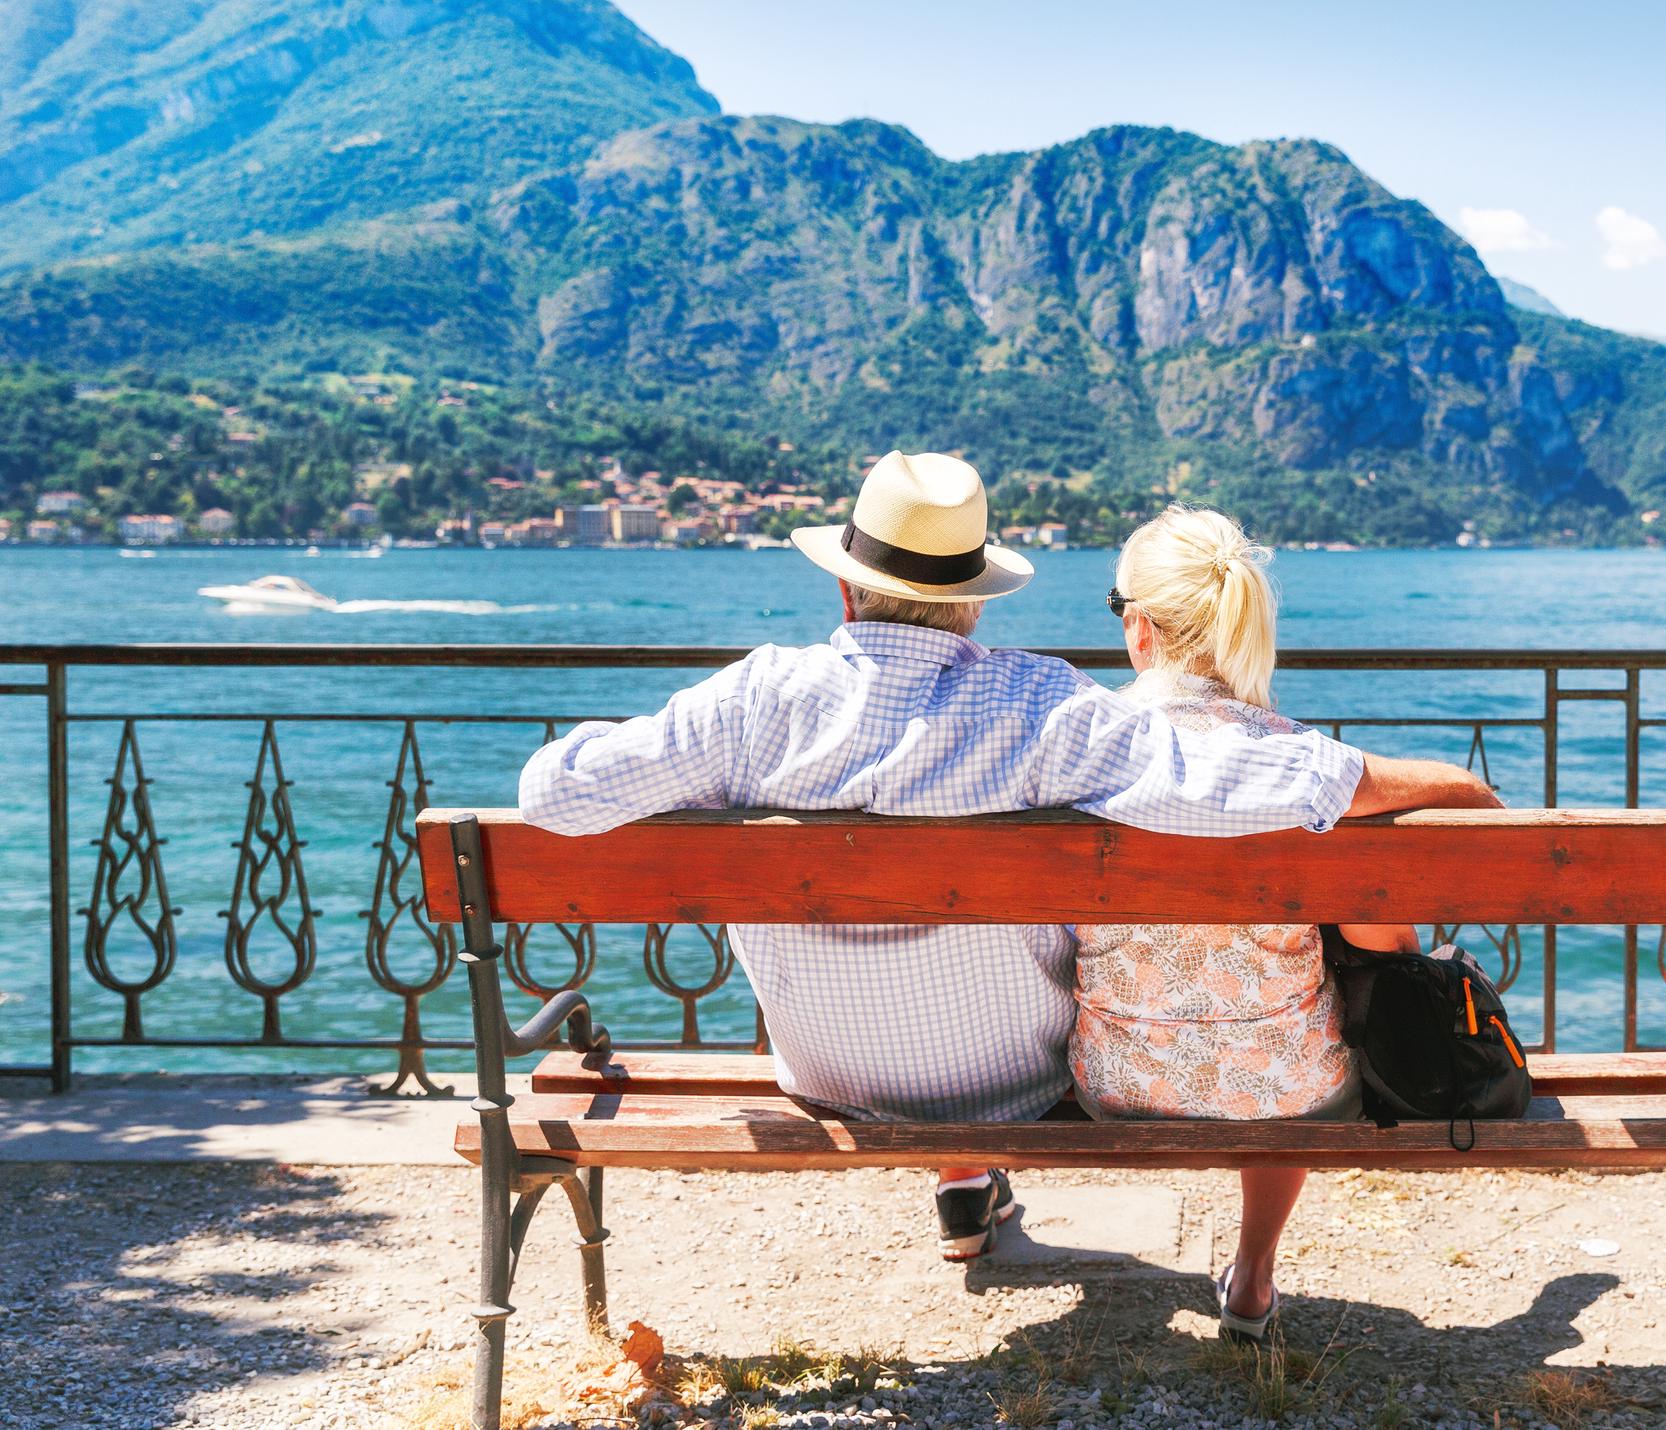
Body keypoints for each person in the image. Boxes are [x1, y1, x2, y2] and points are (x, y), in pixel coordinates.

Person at [515, 451, 1498, 1265]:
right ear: (975, 602)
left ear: (845, 581)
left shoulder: (750, 700)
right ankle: (974, 1162)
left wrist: (701, 763)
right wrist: (1427, 780)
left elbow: (550, 793)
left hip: (815, 1068)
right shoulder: (1038, 706)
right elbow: (1223, 778)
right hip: (1009, 1085)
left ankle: (963, 1182)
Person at [1069, 506, 1452, 1339]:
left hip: (1113, 1085)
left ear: (1139, 628)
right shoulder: (1307, 764)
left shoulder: (1071, 750)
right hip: (1289, 1095)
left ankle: (968, 1188)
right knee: (1290, 1034)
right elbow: (1461, 826)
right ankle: (1252, 1281)